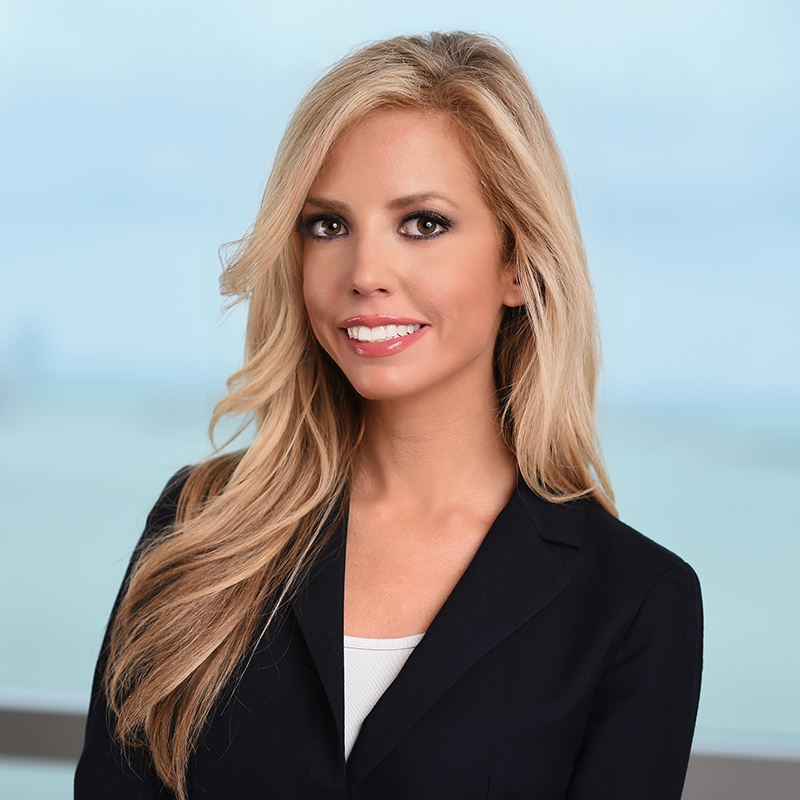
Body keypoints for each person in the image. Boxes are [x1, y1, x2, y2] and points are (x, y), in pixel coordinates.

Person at [75, 31, 702, 800]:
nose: (365, 273)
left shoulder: (635, 602)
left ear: (517, 262)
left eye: (423, 224)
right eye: (327, 225)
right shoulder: (200, 525)